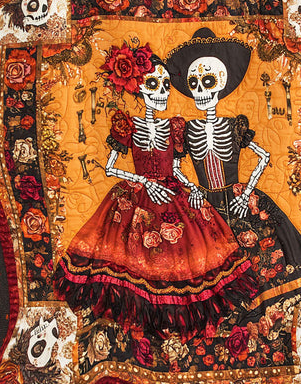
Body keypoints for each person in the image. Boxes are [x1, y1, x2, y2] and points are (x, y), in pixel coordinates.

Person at [53, 49, 256, 338]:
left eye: (165, 85)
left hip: (172, 191)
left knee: (193, 251)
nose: (161, 91)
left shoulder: (174, 126)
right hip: (136, 193)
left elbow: (177, 168)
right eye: (153, 84)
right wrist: (144, 182)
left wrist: (193, 188)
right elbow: (110, 167)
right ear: (139, 88)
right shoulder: (128, 124)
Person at [166, 28, 301, 328]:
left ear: (221, 82)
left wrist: (247, 192)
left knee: (260, 251)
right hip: (205, 202)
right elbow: (174, 166)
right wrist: (192, 188)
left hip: (236, 198)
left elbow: (263, 156)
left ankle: (257, 309)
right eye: (193, 83)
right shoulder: (188, 129)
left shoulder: (234, 125)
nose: (200, 90)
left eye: (208, 81)